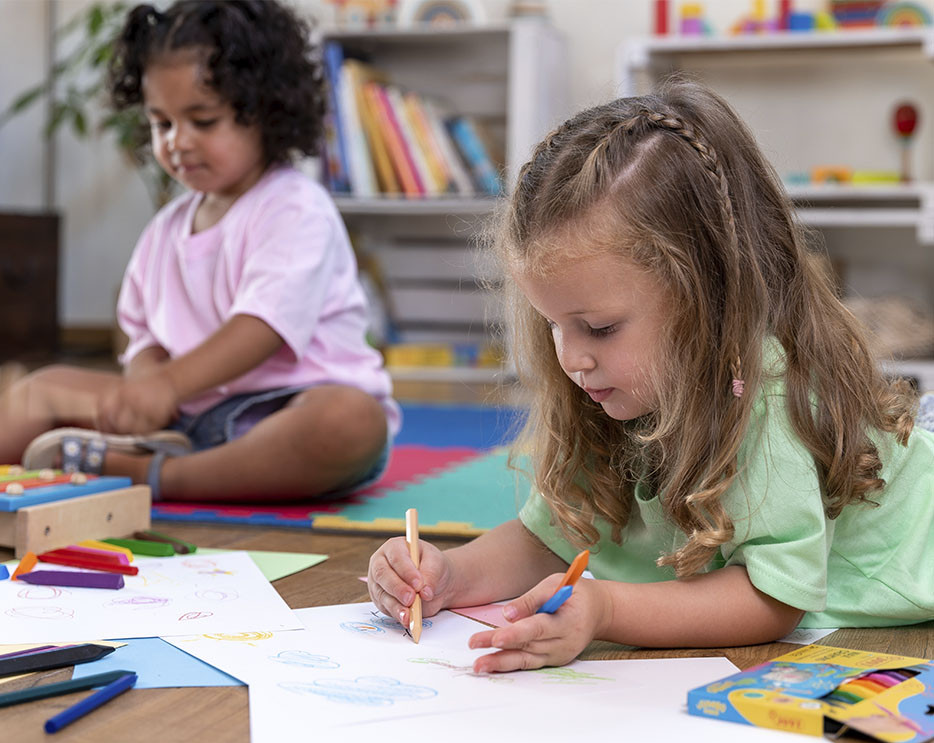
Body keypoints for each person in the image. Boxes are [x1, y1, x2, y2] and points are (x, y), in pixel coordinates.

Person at [367, 79, 934, 673]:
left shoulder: (764, 397)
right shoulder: (615, 385)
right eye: (554, 324)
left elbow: (771, 598)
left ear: (707, 298)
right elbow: (550, 537)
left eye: (601, 328)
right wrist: (447, 576)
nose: (572, 358)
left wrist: (606, 609)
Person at [0, 0, 400, 502]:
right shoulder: (165, 228)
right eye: (161, 123)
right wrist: (144, 387)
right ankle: (139, 454)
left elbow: (262, 328)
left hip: (287, 409)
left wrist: (166, 386)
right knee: (37, 388)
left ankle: (157, 477)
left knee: (350, 421)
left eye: (203, 121)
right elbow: (139, 331)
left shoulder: (295, 208)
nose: (177, 142)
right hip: (186, 419)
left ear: (266, 112)